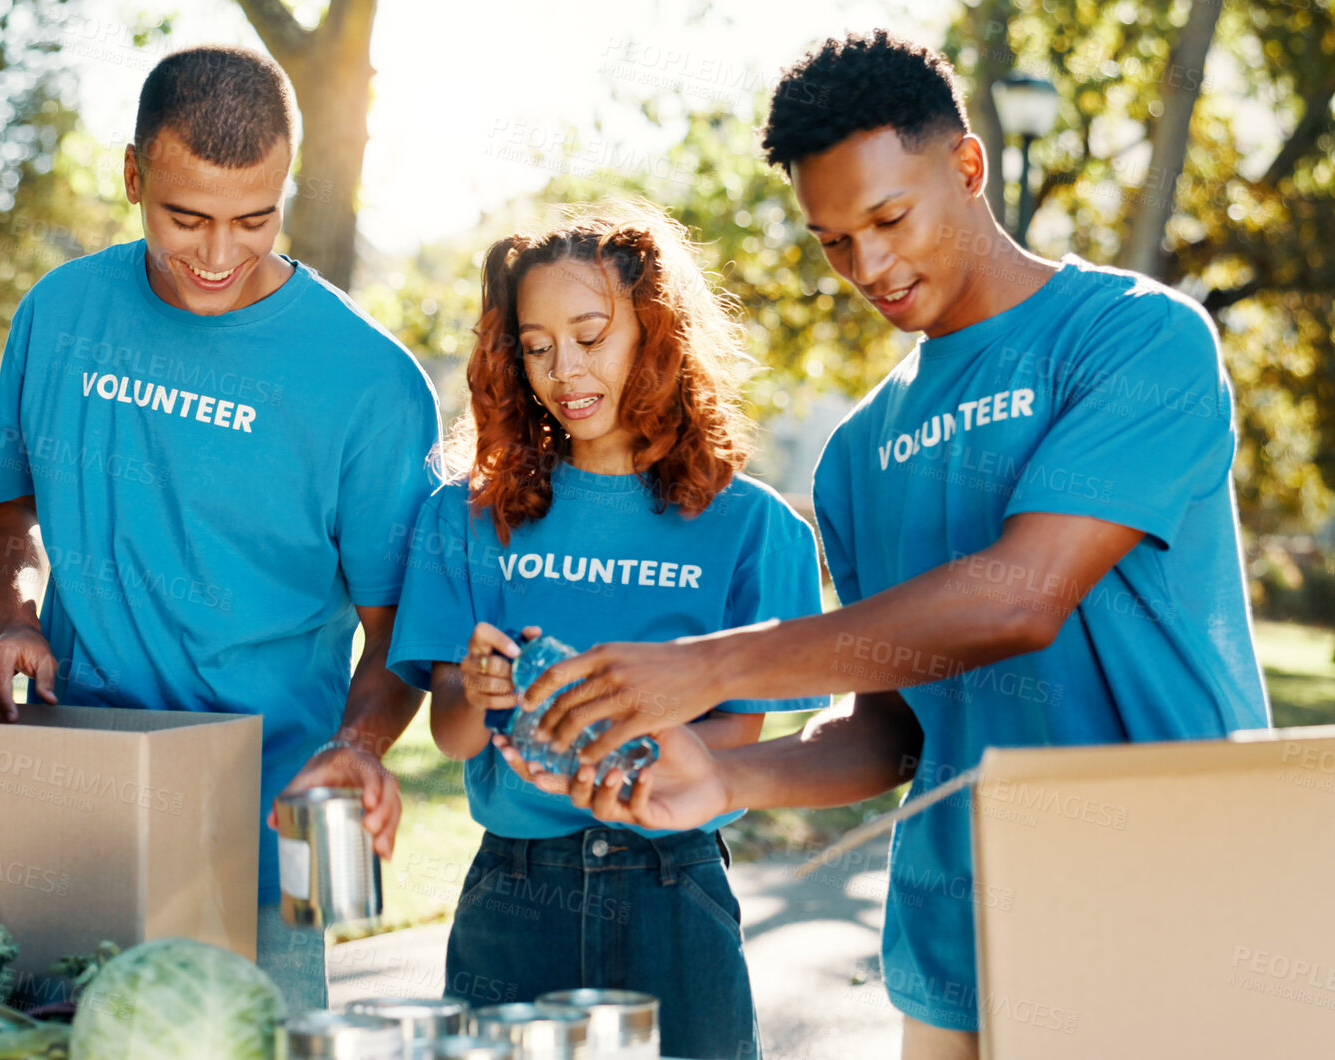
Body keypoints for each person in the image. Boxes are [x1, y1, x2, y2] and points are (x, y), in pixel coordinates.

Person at [504, 33, 1270, 1060]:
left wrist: (707, 666)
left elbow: (1017, 598)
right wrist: (728, 780)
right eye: (831, 241)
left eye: (887, 219)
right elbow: (893, 732)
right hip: (952, 948)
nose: (867, 266)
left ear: (966, 167)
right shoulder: (858, 453)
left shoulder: (1133, 338)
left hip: (1162, 907)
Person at [0, 45, 439, 1009]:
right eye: (186, 217)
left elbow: (400, 638)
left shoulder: (370, 383)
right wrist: (13, 617)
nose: (219, 257)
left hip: (273, 833)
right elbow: (7, 503)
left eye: (254, 219)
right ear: (132, 174)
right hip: (68, 800)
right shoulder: (59, 313)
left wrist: (358, 745)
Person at [387, 203, 826, 1059]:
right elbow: (448, 732)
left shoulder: (755, 529)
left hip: (674, 887)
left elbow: (735, 739)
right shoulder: (464, 518)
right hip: (514, 892)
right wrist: (478, 692)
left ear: (655, 332)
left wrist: (626, 736)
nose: (564, 368)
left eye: (591, 335)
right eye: (538, 344)